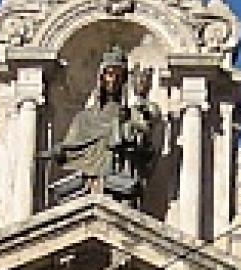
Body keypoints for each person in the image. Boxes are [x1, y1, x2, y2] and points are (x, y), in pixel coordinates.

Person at [48, 47, 160, 203]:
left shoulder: (130, 115)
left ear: (124, 81)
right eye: (109, 74)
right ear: (101, 78)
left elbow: (144, 143)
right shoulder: (84, 119)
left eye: (118, 76)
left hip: (120, 185)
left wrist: (140, 103)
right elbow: (70, 149)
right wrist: (60, 151)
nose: (113, 80)